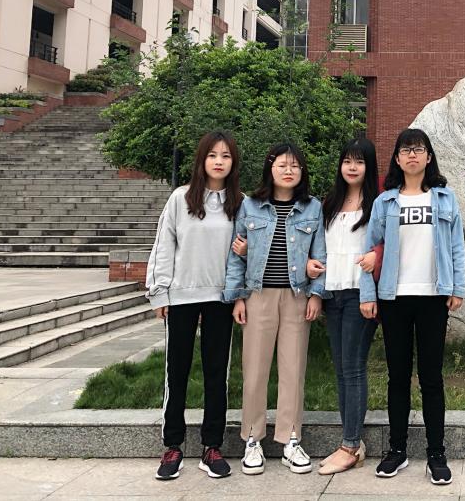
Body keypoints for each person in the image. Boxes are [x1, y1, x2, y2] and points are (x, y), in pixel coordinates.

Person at [359, 128, 465, 485]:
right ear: (397, 158)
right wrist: (368, 295)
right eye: (405, 150)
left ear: (428, 157)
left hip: (434, 297)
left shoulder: (445, 199)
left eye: (418, 149)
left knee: (432, 378)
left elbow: (456, 246)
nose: (412, 155)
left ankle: (437, 454)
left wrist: (458, 287)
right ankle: (397, 450)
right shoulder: (385, 202)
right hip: (394, 298)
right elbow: (369, 252)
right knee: (398, 377)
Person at [223, 142, 327, 476]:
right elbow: (235, 256)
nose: (288, 170)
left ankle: (291, 439)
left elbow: (320, 256)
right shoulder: (250, 205)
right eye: (282, 165)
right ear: (270, 168)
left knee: (293, 370)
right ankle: (252, 439)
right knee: (254, 370)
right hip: (258, 295)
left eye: (295, 165)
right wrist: (237, 297)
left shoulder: (312, 207)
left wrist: (316, 295)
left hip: (297, 297)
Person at [146, 131, 242, 482]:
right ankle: (172, 446)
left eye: (226, 156)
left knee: (217, 373)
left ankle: (211, 447)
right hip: (181, 297)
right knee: (177, 372)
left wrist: (239, 293)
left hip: (220, 298)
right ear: (202, 160)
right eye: (213, 155)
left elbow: (244, 251)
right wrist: (160, 292)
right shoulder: (180, 198)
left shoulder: (240, 203)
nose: (219, 161)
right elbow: (164, 245)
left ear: (233, 163)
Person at [311, 137, 381, 475]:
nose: (352, 167)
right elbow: (319, 246)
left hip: (360, 295)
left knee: (353, 368)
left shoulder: (377, 203)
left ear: (369, 166)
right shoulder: (330, 203)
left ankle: (350, 445)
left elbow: (388, 245)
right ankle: (350, 441)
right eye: (347, 161)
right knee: (341, 369)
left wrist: (376, 257)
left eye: (359, 161)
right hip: (333, 294)